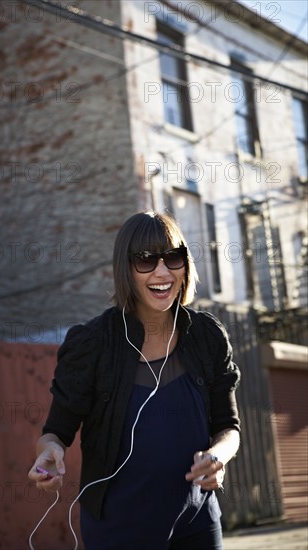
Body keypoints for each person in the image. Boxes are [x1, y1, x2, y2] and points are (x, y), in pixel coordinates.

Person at [28, 211, 241, 550]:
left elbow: (228, 427)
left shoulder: (207, 336)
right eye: (145, 260)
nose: (162, 271)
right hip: (118, 530)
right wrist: (49, 454)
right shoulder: (93, 343)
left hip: (198, 520)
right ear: (125, 269)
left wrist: (218, 457)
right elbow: (56, 433)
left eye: (173, 257)